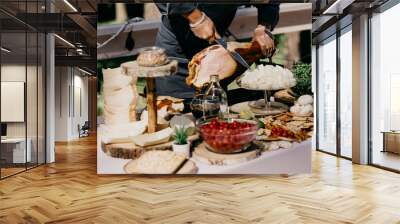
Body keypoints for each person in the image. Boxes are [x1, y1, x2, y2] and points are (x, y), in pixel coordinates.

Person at [154, 3, 280, 102]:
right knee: (177, 121)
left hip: (218, 59)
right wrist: (196, 18)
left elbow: (270, 3)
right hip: (178, 54)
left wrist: (264, 26)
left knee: (215, 119)